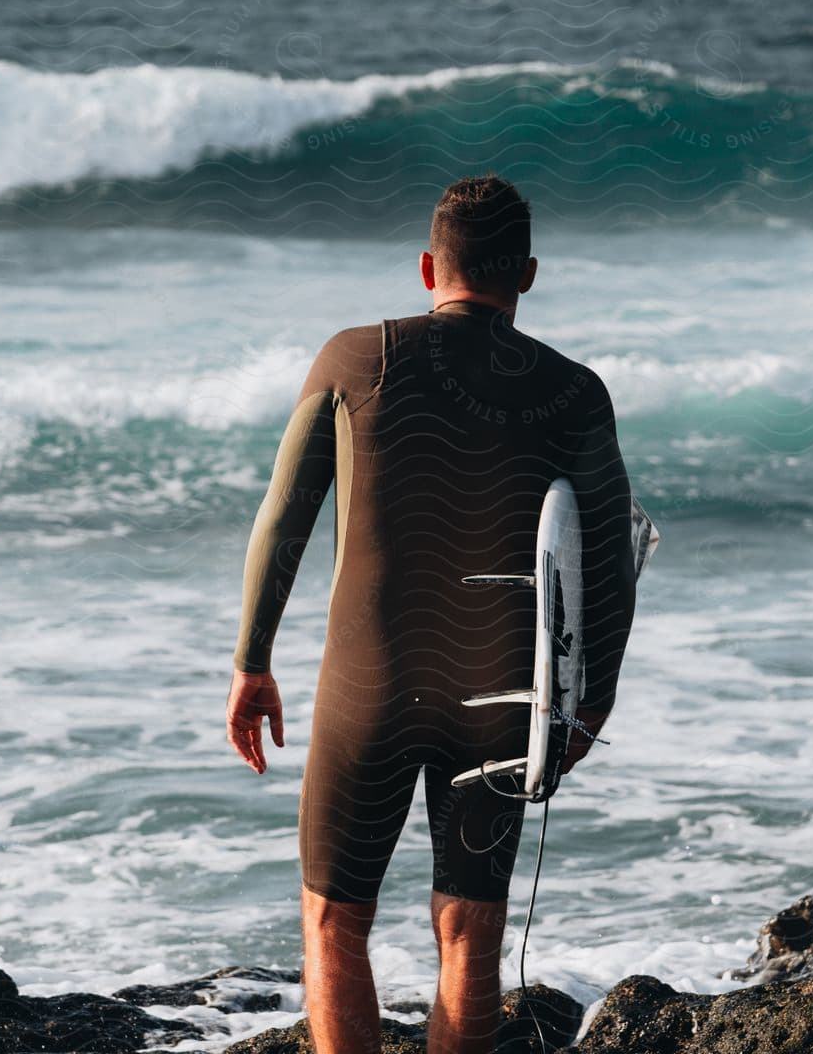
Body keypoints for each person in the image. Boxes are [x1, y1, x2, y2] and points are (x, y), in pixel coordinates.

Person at [225, 174, 638, 1054]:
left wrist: (252, 662)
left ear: (426, 267)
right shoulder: (575, 392)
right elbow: (608, 563)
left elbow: (283, 517)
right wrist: (589, 705)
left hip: (368, 689)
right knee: (470, 930)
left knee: (335, 920)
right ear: (526, 274)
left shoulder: (353, 357)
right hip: (500, 697)